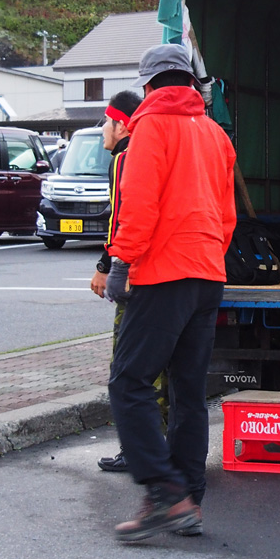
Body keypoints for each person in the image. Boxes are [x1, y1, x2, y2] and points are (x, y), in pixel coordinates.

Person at [103, 44, 237, 542]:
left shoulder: (150, 130)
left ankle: (163, 492)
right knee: (188, 391)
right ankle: (189, 501)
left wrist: (122, 262)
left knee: (129, 383)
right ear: (190, 82)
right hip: (208, 273)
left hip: (164, 273)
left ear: (148, 86)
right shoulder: (215, 135)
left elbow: (139, 206)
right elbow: (226, 216)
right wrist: (208, 256)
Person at [88, 89, 168, 475]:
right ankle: (163, 444)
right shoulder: (162, 147)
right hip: (174, 275)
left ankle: (138, 450)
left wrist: (106, 265)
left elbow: (120, 217)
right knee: (165, 365)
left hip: (137, 273)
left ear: (121, 123)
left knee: (129, 364)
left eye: (106, 121)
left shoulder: (125, 157)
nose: (104, 129)